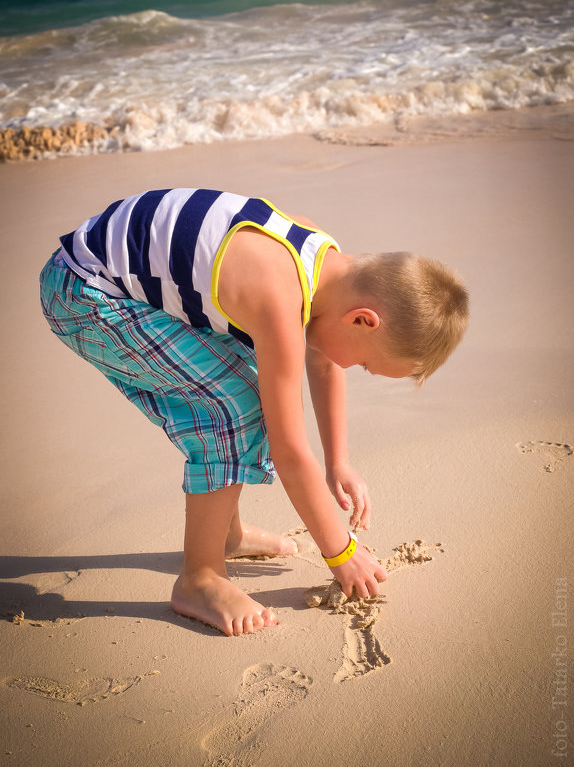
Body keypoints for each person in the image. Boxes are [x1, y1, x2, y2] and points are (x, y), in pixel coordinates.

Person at [39, 188, 469, 637]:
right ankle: (200, 577)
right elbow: (289, 451)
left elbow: (321, 360)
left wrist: (338, 459)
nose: (350, 367)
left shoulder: (327, 263)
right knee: (236, 406)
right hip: (82, 295)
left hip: (113, 278)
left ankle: (226, 533)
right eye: (363, 362)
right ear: (363, 319)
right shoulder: (277, 294)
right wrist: (341, 552)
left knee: (246, 382)